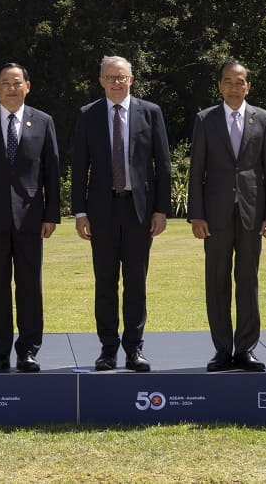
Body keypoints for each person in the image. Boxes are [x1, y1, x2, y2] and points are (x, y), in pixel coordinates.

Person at [70, 55, 172, 372]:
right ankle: (107, 350)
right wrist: (79, 212)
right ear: (100, 80)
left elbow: (163, 166)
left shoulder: (150, 113)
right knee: (105, 283)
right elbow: (79, 167)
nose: (117, 82)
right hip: (101, 211)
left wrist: (161, 210)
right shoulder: (88, 115)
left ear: (132, 79)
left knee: (136, 283)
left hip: (139, 211)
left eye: (122, 77)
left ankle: (134, 349)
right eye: (110, 77)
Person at [0, 62, 60, 373]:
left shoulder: (43, 121)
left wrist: (52, 214)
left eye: (17, 82)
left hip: (31, 218)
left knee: (30, 286)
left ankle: (28, 350)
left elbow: (51, 171)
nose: (12, 88)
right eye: (6, 82)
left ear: (28, 86)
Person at [187, 59, 266, 372]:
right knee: (216, 282)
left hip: (252, 214)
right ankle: (222, 349)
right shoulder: (205, 119)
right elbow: (196, 170)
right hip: (214, 216)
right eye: (228, 81)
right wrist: (196, 215)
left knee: (248, 281)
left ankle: (246, 349)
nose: (234, 87)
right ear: (219, 85)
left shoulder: (263, 119)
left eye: (240, 82)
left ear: (248, 86)